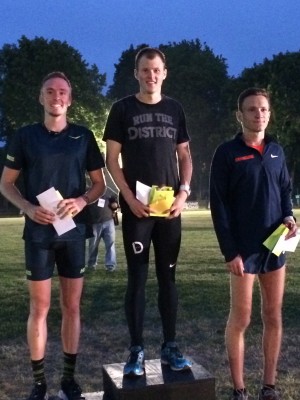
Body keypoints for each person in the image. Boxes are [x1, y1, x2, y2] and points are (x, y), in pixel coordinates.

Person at [0, 71, 105, 400]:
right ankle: (39, 381)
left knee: (72, 307)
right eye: (50, 91)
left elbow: (99, 184)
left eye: (62, 92)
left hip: (73, 232)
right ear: (41, 98)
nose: (57, 96)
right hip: (39, 234)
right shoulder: (25, 136)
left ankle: (69, 379)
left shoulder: (84, 136)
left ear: (70, 99)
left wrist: (81, 200)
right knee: (39, 307)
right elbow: (6, 183)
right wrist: (28, 208)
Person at [103, 47, 193, 377]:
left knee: (168, 278)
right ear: (136, 73)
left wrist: (184, 193)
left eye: (156, 70)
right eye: (144, 70)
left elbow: (185, 156)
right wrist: (128, 198)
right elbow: (112, 160)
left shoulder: (175, 109)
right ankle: (136, 349)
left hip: (169, 208)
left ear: (164, 73)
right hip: (137, 209)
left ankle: (170, 346)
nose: (150, 75)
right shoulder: (122, 109)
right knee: (137, 279)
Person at [209, 87, 298, 400]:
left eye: (263, 109)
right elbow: (218, 206)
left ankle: (269, 386)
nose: (258, 114)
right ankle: (239, 388)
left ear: (269, 114)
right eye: (251, 109)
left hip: (275, 247)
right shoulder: (227, 153)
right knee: (242, 318)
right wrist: (229, 251)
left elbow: (285, 190)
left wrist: (289, 217)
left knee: (273, 316)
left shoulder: (276, 150)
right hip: (243, 251)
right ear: (240, 115)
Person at [86, 187, 119, 272]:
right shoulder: (87, 191)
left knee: (110, 244)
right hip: (94, 223)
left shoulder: (107, 189)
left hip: (108, 221)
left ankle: (110, 265)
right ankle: (91, 265)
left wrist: (115, 204)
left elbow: (114, 198)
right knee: (93, 245)